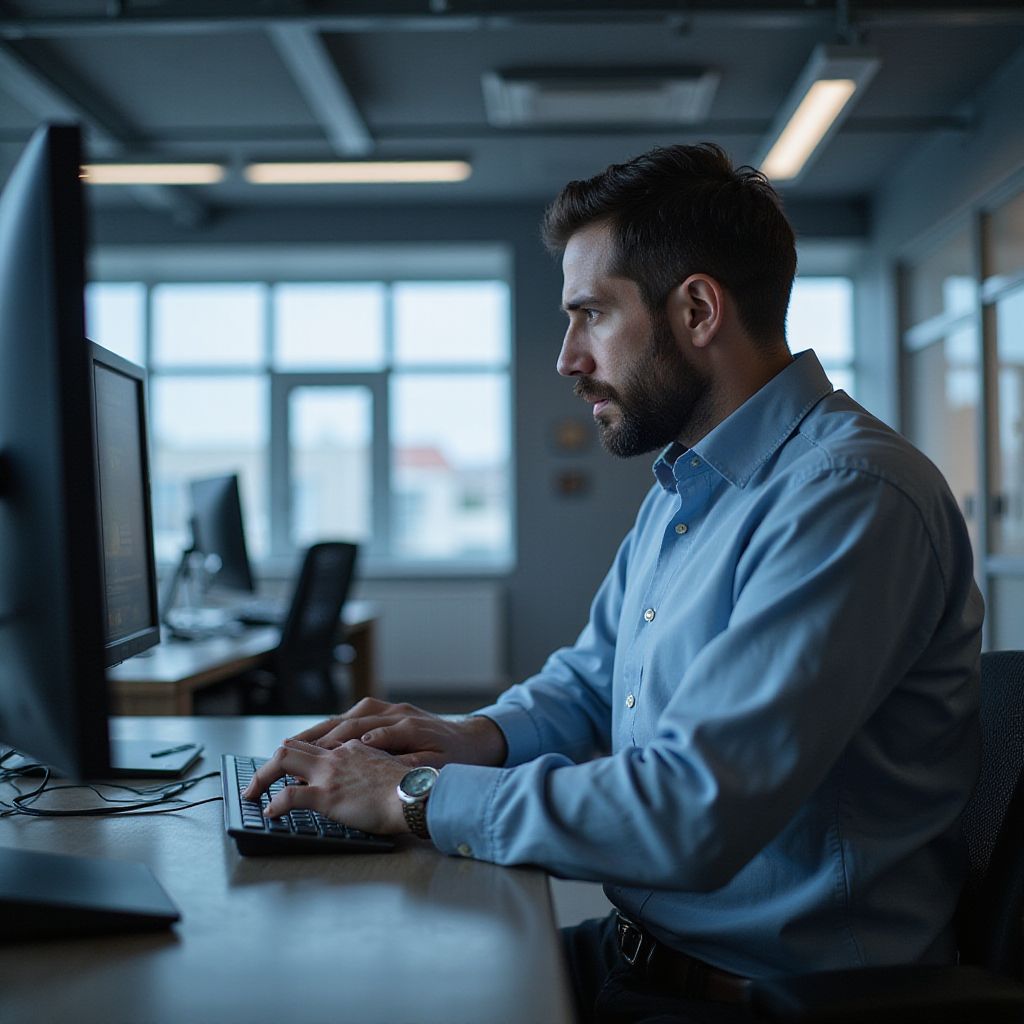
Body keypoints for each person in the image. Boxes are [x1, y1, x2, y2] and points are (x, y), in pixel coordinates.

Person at [244, 144, 984, 1023]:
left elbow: (689, 811)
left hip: (775, 1001)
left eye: (590, 314)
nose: (566, 357)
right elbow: (593, 679)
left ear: (699, 309)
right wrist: (472, 735)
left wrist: (412, 796)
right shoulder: (692, 485)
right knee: (365, 986)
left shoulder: (850, 498)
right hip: (644, 952)